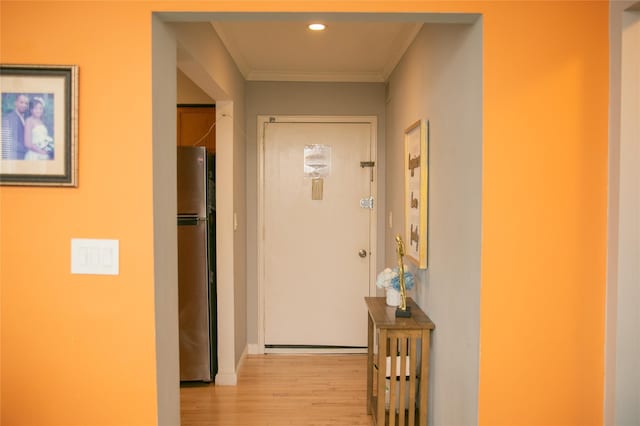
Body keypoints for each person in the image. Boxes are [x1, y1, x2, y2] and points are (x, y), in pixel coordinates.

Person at [1, 93, 29, 159]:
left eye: (26, 103)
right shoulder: (8, 118)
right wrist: (26, 148)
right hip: (14, 157)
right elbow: (8, 141)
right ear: (15, 103)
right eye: (21, 102)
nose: (24, 105)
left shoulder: (27, 118)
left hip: (25, 157)